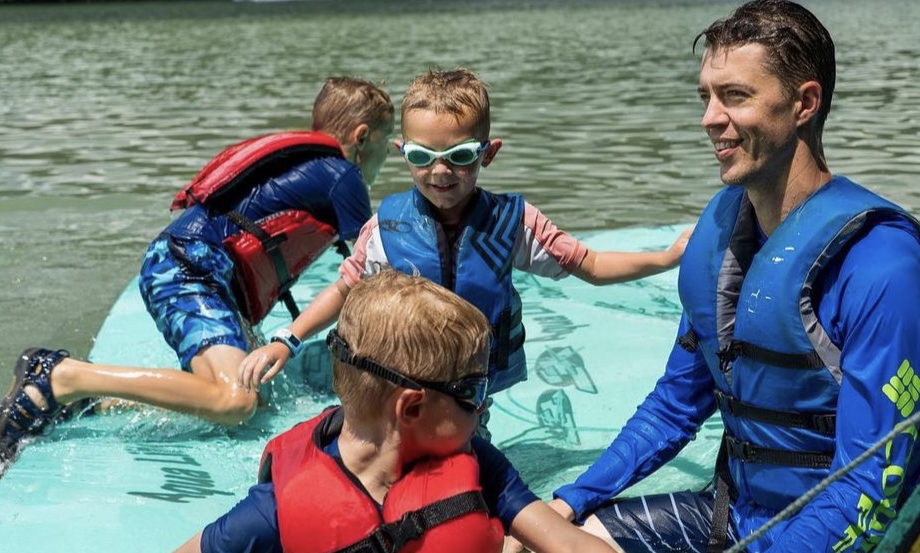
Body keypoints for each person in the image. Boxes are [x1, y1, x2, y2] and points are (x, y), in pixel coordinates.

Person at [507, 0, 920, 553]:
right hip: (734, 515)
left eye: (735, 95)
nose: (710, 118)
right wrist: (574, 500)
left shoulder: (884, 267)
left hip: (850, 550)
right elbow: (674, 406)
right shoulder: (720, 232)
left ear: (804, 103)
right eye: (706, 96)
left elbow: (868, 495)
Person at [145, 269, 696, 553]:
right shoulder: (278, 512)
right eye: (472, 391)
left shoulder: (474, 461)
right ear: (412, 407)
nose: (483, 406)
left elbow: (569, 544)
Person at [0, 76, 396, 462]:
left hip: (188, 265)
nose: (389, 152)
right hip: (189, 270)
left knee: (256, 391)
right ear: (362, 136)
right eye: (387, 139)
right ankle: (62, 376)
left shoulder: (311, 166)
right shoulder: (342, 176)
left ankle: (95, 401)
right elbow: (378, 267)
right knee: (236, 399)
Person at [238, 68, 691, 399]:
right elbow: (344, 288)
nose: (439, 171)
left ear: (487, 153)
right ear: (401, 152)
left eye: (459, 155)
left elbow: (588, 265)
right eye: (421, 156)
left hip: (473, 390)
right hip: (403, 380)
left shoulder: (514, 222)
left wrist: (667, 257)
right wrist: (288, 338)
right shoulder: (387, 227)